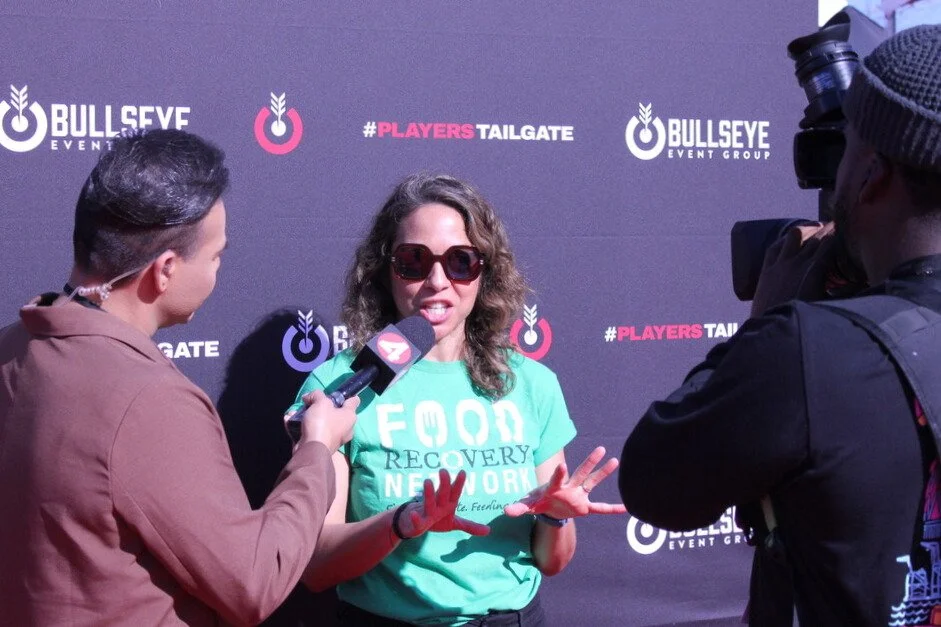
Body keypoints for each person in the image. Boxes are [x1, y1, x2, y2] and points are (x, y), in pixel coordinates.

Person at [618, 24, 941, 626]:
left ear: (870, 172)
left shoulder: (805, 348)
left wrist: (764, 325)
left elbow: (655, 482)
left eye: (844, 152)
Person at [0, 129, 358, 626]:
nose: (218, 271)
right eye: (215, 256)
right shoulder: (149, 401)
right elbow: (254, 582)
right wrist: (317, 449)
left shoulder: (12, 348)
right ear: (165, 270)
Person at [286, 173, 626, 625]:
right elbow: (316, 568)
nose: (437, 280)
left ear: (485, 272)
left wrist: (555, 517)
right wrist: (401, 523)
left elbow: (552, 562)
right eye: (414, 260)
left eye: (461, 261)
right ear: (384, 270)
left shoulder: (532, 382)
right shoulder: (340, 387)